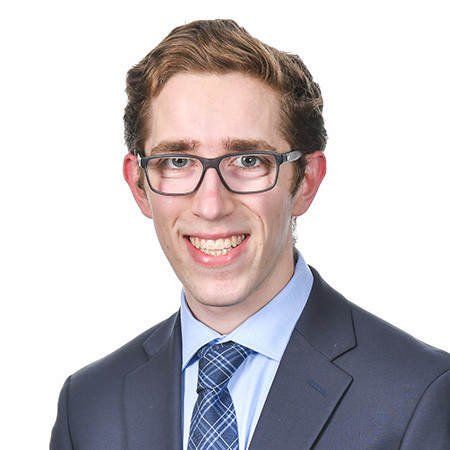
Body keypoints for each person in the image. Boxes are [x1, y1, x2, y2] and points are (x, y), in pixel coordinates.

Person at [50, 19, 450, 449]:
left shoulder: (420, 395)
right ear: (139, 186)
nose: (211, 205)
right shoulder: (87, 405)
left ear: (306, 181)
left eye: (248, 161)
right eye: (177, 162)